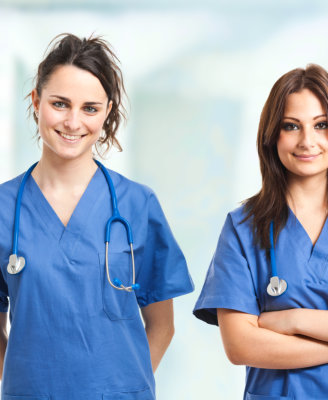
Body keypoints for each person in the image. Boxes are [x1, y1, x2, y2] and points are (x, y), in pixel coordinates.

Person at [0, 33, 194, 400]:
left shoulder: (137, 204)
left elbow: (162, 326)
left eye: (90, 108)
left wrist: (123, 387)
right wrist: (32, 384)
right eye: (60, 104)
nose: (73, 122)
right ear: (36, 101)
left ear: (106, 113)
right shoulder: (3, 207)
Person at [193, 64, 328, 399]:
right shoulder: (244, 227)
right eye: (292, 126)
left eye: (321, 125)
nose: (308, 141)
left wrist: (294, 320)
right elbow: (241, 345)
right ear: (273, 134)